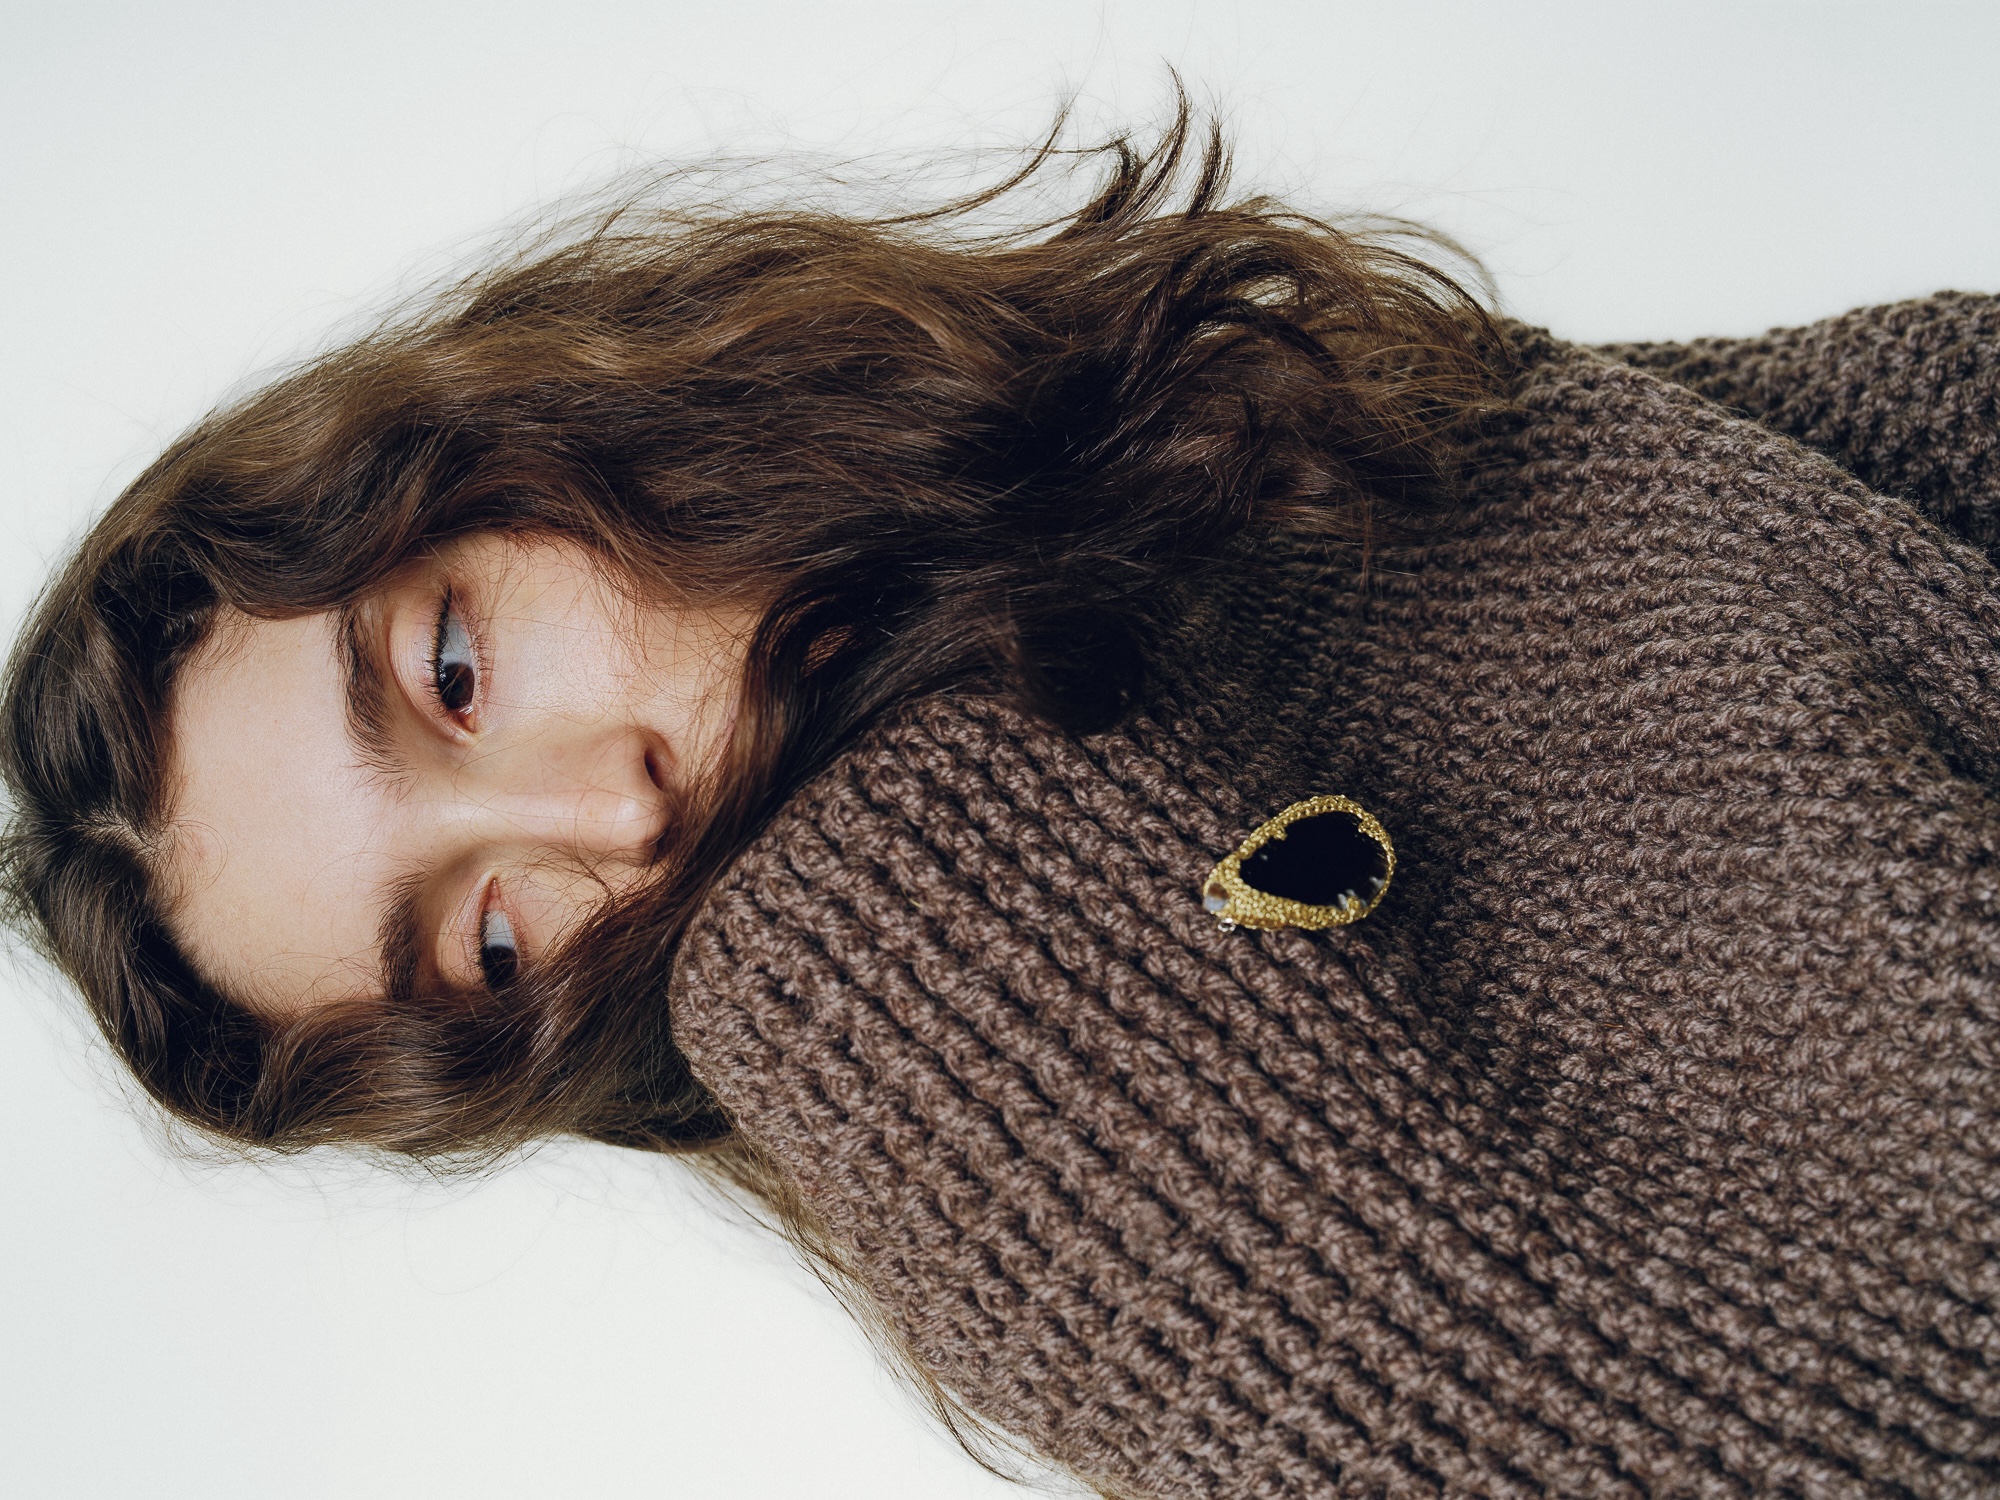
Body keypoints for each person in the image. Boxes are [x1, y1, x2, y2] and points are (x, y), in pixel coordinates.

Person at [4, 108, 1997, 1498]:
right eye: (491, 939)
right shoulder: (1021, 1161)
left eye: (454, 674)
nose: (610, 817)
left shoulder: (1397, 446)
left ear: (527, 441)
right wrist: (883, 960)